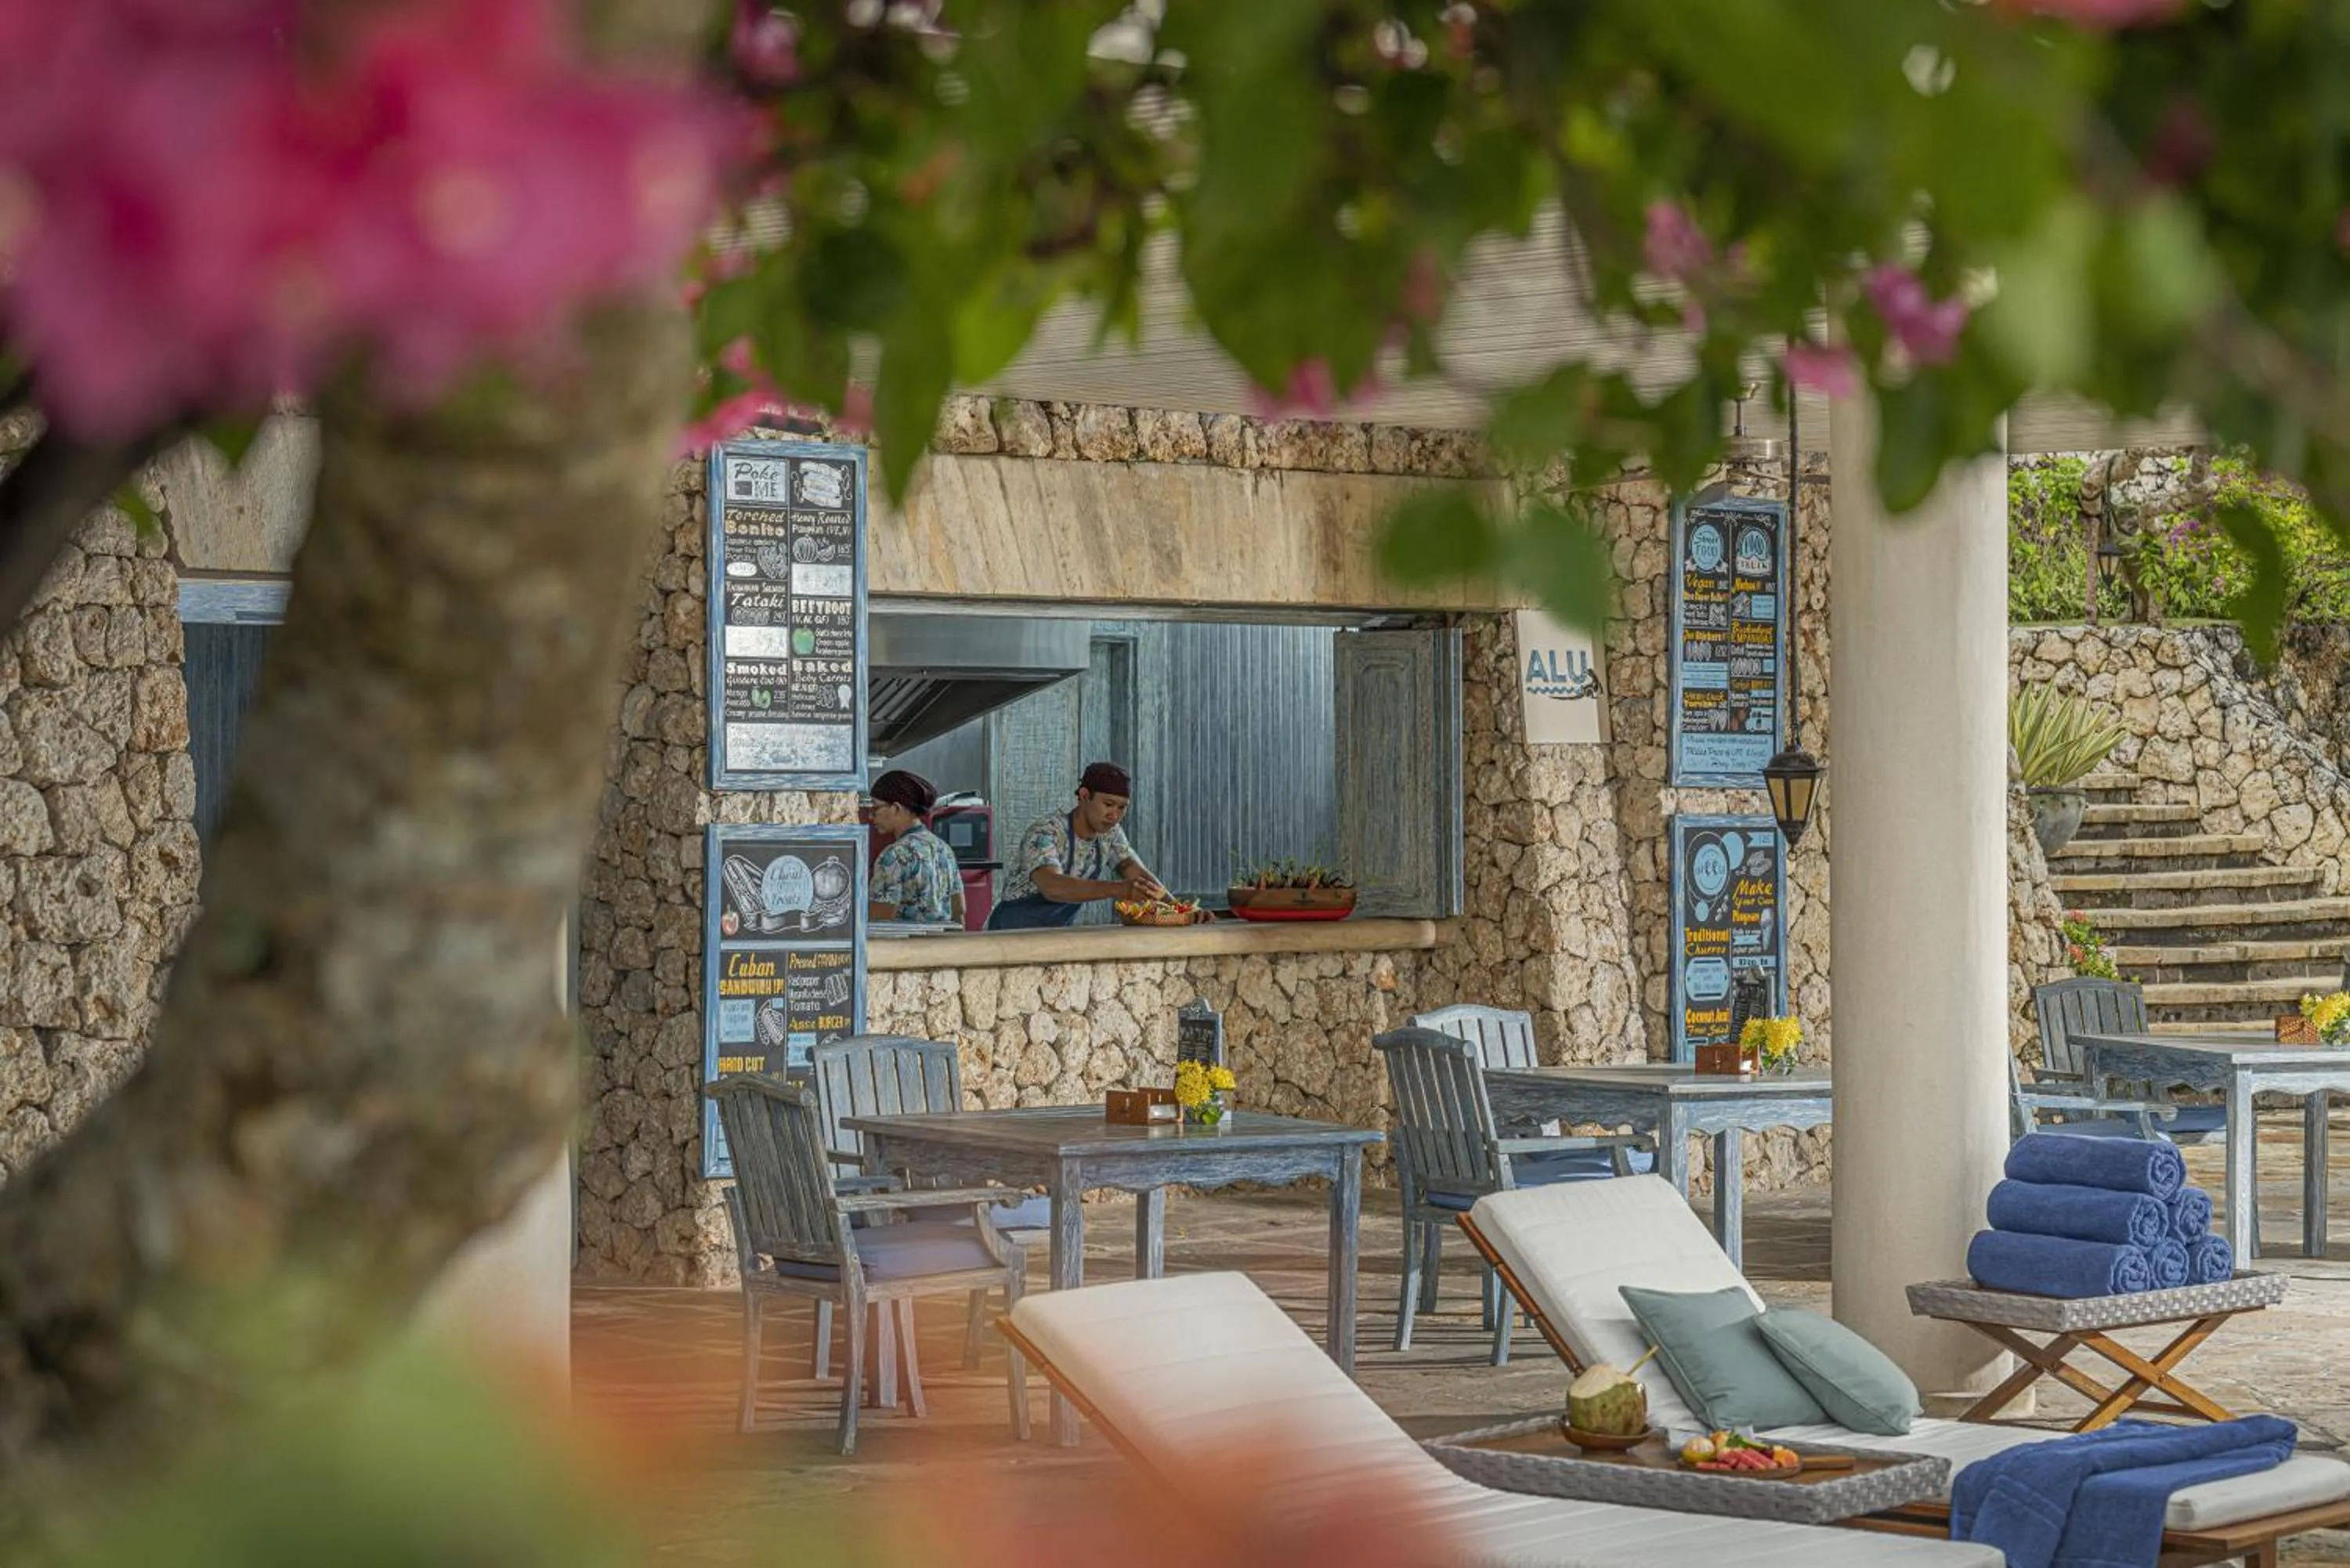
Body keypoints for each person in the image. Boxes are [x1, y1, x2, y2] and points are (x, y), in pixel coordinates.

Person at [988, 761, 1166, 930]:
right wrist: (1120, 889)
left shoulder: (1110, 833)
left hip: (1054, 935)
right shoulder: (1047, 832)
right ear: (1084, 795)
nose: (1115, 816)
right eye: (1109, 804)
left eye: (1122, 808)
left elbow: (1132, 868)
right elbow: (1052, 887)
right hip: (1009, 933)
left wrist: (1177, 907)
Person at [866, 769, 965, 926]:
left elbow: (878, 919)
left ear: (896, 808)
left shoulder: (894, 855)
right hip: (942, 947)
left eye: (875, 808)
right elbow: (959, 911)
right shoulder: (944, 849)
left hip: (905, 948)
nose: (871, 816)